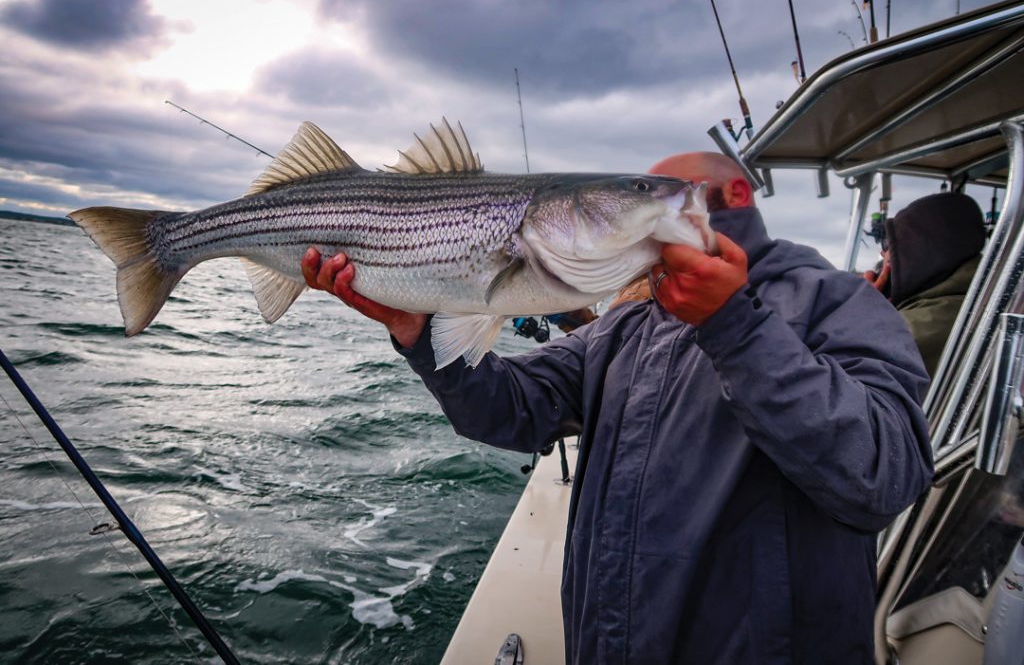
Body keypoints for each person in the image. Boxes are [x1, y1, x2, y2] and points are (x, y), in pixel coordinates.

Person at [301, 152, 934, 664]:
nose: (650, 204)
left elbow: (885, 475)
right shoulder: (633, 320)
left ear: (734, 196)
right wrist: (419, 332)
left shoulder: (830, 297)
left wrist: (734, 326)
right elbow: (511, 410)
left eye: (661, 188)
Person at [863, 192, 987, 377]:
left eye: (891, 245)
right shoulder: (977, 299)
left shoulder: (916, 328)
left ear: (919, 252)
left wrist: (861, 307)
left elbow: (828, 379)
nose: (884, 254)